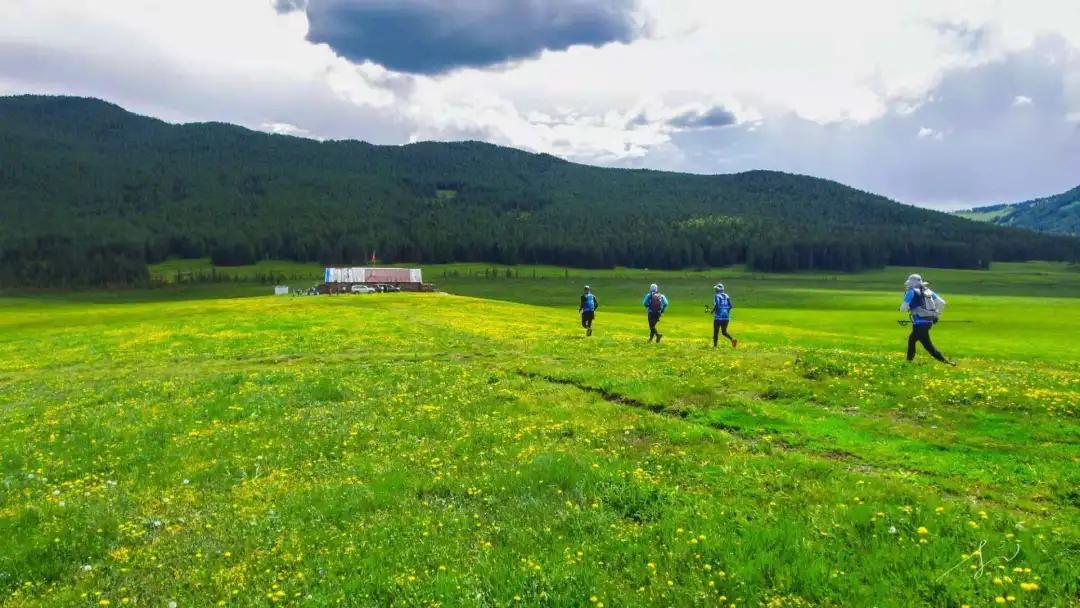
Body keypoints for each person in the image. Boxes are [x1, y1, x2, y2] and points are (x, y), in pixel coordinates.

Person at [900, 273, 956, 366]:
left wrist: (908, 308)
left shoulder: (911, 292)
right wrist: (936, 316)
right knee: (917, 341)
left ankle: (947, 362)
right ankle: (947, 362)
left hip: (919, 323)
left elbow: (903, 308)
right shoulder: (928, 291)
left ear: (911, 283)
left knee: (924, 344)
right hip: (928, 322)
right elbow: (941, 303)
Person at [710, 283, 737, 348]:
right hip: (726, 317)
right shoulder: (727, 296)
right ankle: (733, 339)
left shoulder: (717, 296)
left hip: (718, 317)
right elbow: (730, 306)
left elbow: (717, 305)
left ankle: (715, 346)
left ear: (718, 290)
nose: (715, 290)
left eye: (716, 289)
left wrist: (713, 311)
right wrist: (726, 311)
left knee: (716, 331)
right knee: (724, 332)